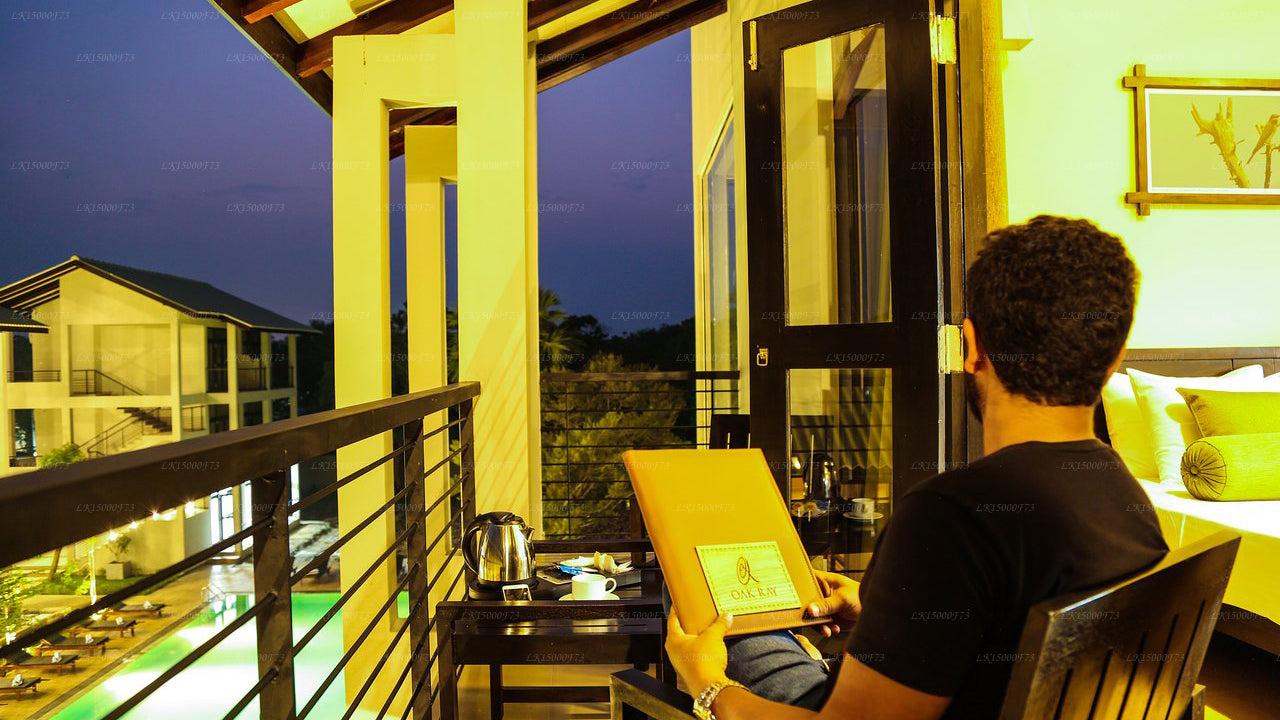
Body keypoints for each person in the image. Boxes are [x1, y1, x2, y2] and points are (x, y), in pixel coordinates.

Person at [667, 215, 1169, 720]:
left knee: (695, 593)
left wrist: (707, 685)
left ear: (972, 347)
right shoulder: (1127, 500)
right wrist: (889, 612)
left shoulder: (952, 515)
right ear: (1115, 359)